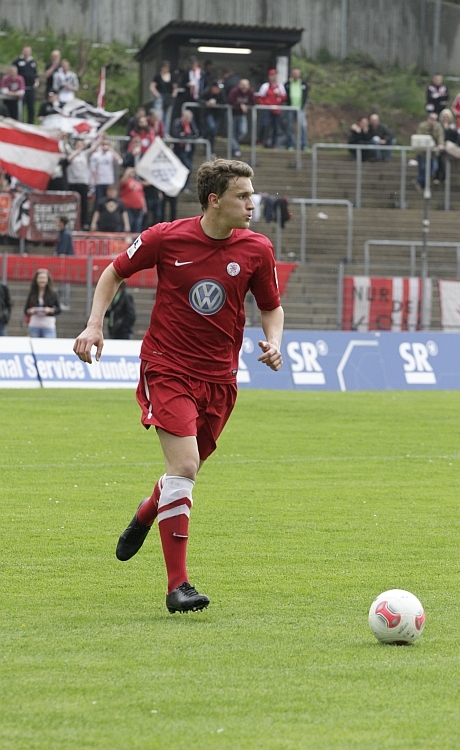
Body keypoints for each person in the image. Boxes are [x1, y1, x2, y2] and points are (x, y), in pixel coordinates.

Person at [73, 158, 284, 615]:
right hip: (167, 367)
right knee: (185, 466)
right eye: (243, 196)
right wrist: (94, 325)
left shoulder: (257, 249)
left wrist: (275, 342)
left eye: (252, 194)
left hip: (220, 379)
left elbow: (271, 305)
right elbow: (114, 272)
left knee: (182, 473)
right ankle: (178, 586)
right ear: (215, 200)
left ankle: (147, 511)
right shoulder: (165, 237)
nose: (252, 203)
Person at [24, 268, 61, 338]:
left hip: (48, 325)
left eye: (44, 278)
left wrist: (50, 310)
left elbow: (58, 309)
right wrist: (30, 311)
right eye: (40, 278)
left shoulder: (53, 293)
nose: (42, 280)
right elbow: (25, 309)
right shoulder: (32, 293)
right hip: (34, 324)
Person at [413, 112, 444, 191]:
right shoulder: (422, 126)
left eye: (435, 119)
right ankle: (422, 184)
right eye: (432, 119)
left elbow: (440, 137)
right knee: (423, 168)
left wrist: (440, 144)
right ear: (428, 119)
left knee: (434, 168)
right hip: (422, 152)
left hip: (433, 153)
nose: (434, 121)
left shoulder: (438, 126)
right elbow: (419, 137)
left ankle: (418, 181)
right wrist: (427, 143)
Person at [90, 135, 123, 207]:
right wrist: (96, 179)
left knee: (110, 200)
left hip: (109, 180)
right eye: (103, 144)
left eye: (107, 144)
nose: (105, 146)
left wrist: (111, 149)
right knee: (99, 200)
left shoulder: (111, 154)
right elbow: (93, 168)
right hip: (100, 181)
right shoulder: (96, 155)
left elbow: (120, 161)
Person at [257, 69, 286, 149]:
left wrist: (279, 95)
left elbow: (284, 98)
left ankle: (274, 144)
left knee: (276, 127)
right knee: (264, 124)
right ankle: (260, 141)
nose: (274, 77)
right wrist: (264, 105)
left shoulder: (280, 86)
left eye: (275, 75)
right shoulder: (265, 86)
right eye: (272, 75)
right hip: (267, 108)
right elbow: (260, 97)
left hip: (276, 109)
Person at [172, 109, 200, 191]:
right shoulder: (178, 122)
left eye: (190, 118)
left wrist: (187, 135)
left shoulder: (191, 123)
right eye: (187, 117)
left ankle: (186, 185)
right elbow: (177, 134)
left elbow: (196, 133)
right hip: (180, 149)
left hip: (190, 149)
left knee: (188, 167)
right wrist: (187, 135)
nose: (189, 119)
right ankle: (184, 185)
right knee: (187, 166)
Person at [227, 79, 256, 157]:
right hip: (232, 114)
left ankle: (234, 145)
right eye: (243, 85)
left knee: (243, 131)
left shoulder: (250, 92)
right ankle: (236, 149)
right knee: (232, 132)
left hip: (242, 115)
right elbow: (230, 100)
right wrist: (240, 105)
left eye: (246, 85)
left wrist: (246, 105)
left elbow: (253, 102)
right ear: (239, 85)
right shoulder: (235, 91)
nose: (244, 87)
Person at [149, 60, 177, 135]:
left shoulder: (172, 76)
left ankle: (165, 132)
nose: (165, 69)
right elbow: (152, 86)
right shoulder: (157, 76)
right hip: (160, 96)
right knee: (159, 115)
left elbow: (175, 87)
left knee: (168, 116)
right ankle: (158, 131)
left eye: (167, 67)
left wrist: (173, 95)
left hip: (169, 97)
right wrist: (157, 94)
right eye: (164, 67)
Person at [12, 46, 39, 124]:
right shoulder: (17, 61)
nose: (26, 53)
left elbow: (35, 74)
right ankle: (18, 122)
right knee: (19, 106)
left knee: (31, 107)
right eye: (25, 51)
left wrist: (36, 82)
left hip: (31, 88)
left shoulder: (32, 62)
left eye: (28, 51)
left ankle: (30, 123)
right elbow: (13, 73)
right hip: (21, 89)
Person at [284, 67, 309, 151]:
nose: (296, 75)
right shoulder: (287, 84)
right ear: (291, 74)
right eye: (294, 73)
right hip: (290, 108)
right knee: (289, 127)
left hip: (300, 109)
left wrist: (303, 105)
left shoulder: (303, 84)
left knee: (302, 126)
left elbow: (306, 95)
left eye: (297, 73)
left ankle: (304, 145)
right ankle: (290, 145)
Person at [199, 80, 227, 152]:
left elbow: (224, 101)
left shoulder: (221, 93)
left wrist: (216, 102)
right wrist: (206, 102)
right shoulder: (207, 92)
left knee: (214, 132)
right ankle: (204, 137)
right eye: (217, 88)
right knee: (211, 127)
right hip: (208, 113)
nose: (218, 90)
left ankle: (210, 148)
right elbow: (200, 99)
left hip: (217, 114)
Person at [119, 167, 147, 233]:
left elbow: (141, 195)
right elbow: (123, 181)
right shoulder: (125, 181)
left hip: (139, 208)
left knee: (138, 226)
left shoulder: (138, 183)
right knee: (129, 225)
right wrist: (128, 172)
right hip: (128, 208)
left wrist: (144, 206)